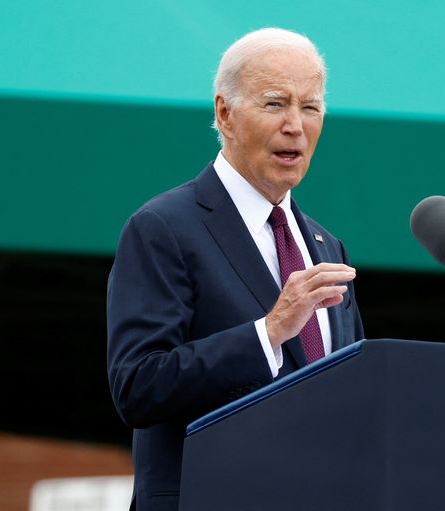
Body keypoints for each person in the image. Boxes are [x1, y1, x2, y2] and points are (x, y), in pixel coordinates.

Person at [106, 28, 365, 510]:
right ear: (225, 113)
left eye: (310, 107)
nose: (296, 126)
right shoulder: (163, 228)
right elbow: (137, 385)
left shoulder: (328, 247)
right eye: (275, 104)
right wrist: (267, 334)